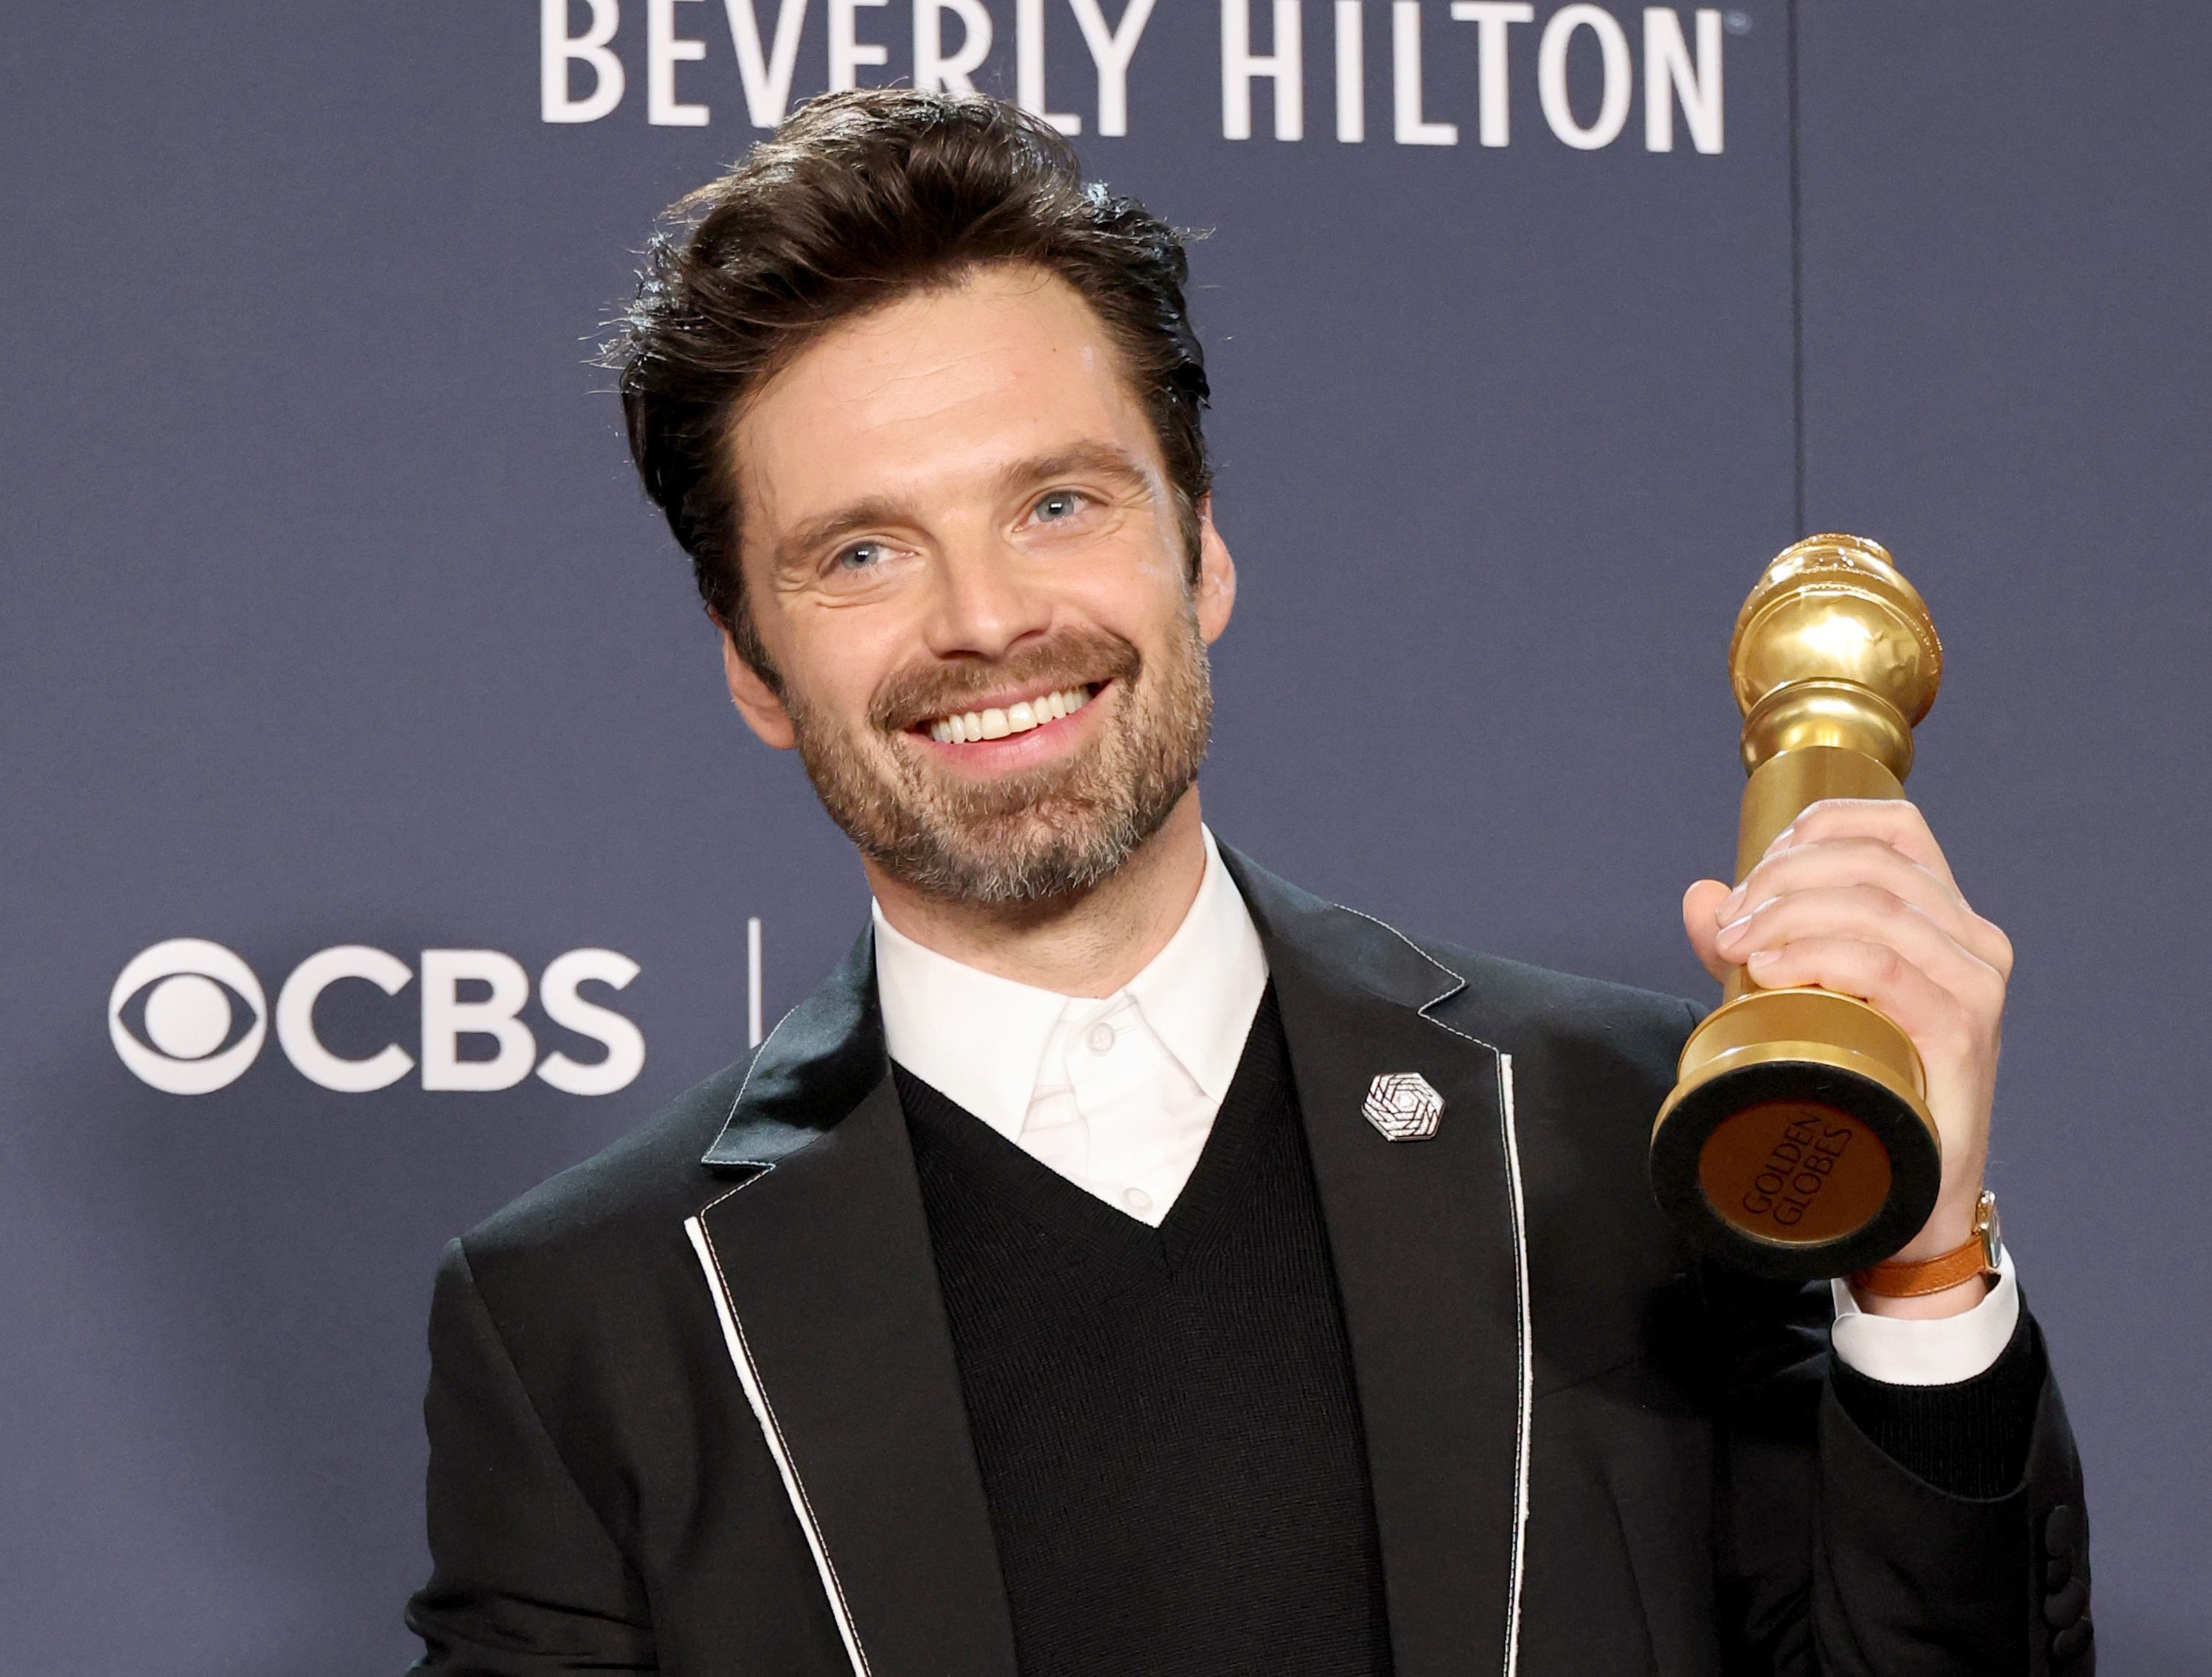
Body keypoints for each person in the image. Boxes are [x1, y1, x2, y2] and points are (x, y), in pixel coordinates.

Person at [404, 91, 2090, 1676]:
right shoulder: (589, 1316)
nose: (986, 617)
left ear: (1199, 548)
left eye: (1058, 502)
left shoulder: (1637, 1142)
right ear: (754, 665)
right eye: (861, 552)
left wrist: (1920, 1256)